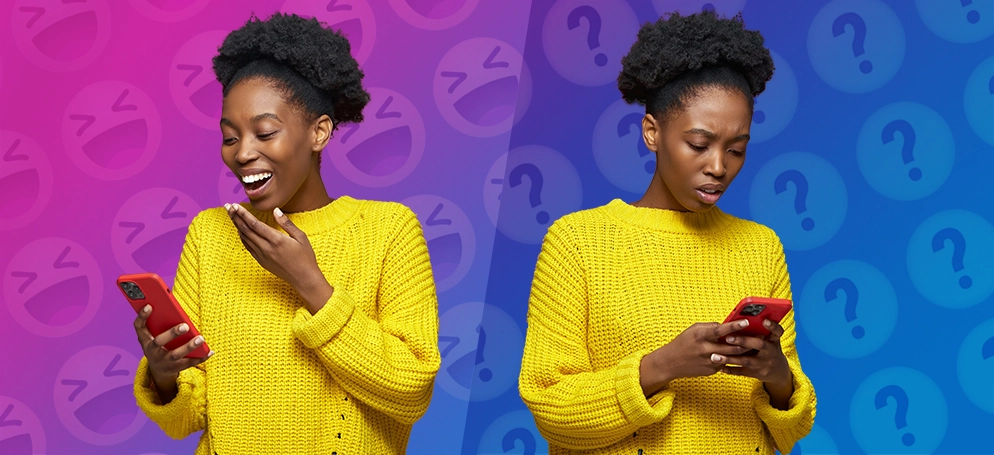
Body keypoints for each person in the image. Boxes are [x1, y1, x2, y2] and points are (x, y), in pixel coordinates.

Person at [130, 12, 440, 455]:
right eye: (230, 137)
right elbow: (189, 419)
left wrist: (310, 284)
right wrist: (164, 373)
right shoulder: (211, 233)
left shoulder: (388, 229)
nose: (243, 154)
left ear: (319, 132)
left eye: (265, 132)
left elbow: (411, 391)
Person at [518, 11, 816, 455]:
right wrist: (661, 366)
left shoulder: (761, 246)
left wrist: (778, 376)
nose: (718, 166)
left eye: (736, 150)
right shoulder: (577, 241)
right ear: (652, 132)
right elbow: (550, 409)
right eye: (699, 145)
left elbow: (790, 430)